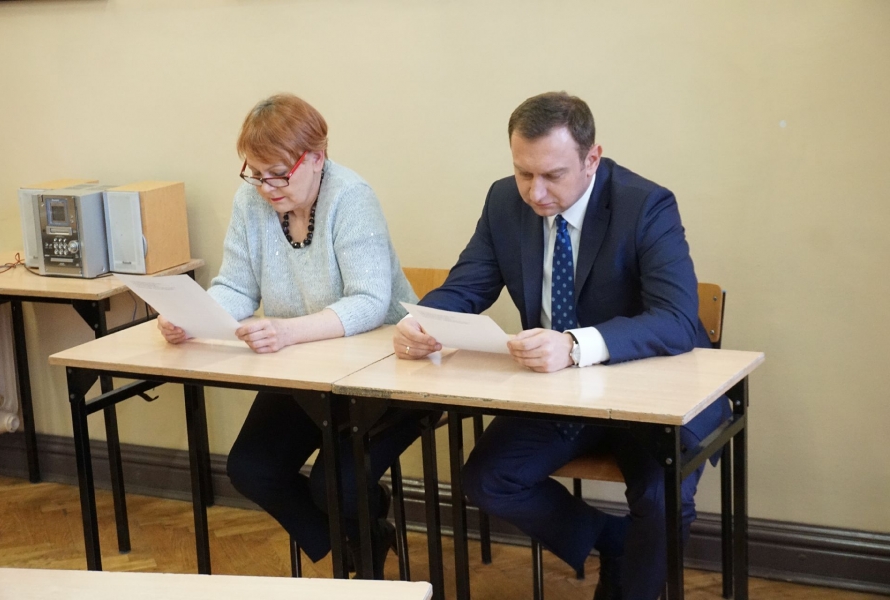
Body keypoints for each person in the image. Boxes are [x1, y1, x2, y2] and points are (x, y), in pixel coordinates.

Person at [393, 91, 729, 600]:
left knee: (661, 499)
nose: (535, 192)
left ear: (592, 158)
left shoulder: (645, 204)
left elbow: (678, 318)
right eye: (523, 172)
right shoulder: (504, 202)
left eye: (552, 175)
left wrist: (574, 344)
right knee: (488, 478)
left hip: (647, 393)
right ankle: (613, 543)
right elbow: (466, 286)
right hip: (558, 393)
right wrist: (422, 321)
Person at [157, 94, 419, 578]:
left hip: (385, 374)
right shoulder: (251, 201)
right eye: (256, 174)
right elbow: (237, 286)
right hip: (304, 372)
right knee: (251, 469)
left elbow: (369, 301)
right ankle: (356, 538)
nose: (266, 187)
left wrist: (286, 331)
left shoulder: (351, 197)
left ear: (317, 157)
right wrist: (194, 317)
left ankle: (360, 542)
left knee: (334, 485)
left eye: (278, 174)